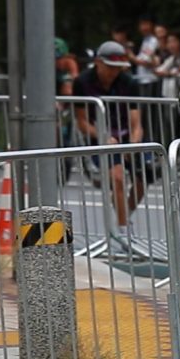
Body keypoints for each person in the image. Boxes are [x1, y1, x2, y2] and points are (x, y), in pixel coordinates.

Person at [72, 41, 146, 240]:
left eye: (118, 68)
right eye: (110, 67)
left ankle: (124, 216)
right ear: (98, 62)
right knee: (118, 177)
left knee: (144, 178)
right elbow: (81, 121)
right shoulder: (82, 82)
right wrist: (102, 137)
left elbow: (136, 122)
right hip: (101, 137)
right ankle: (123, 231)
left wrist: (133, 144)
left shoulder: (129, 83)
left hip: (125, 136)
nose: (114, 72)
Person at [155, 31, 180, 99]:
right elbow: (159, 71)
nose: (171, 45)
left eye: (174, 41)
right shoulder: (172, 58)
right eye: (169, 42)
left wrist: (171, 72)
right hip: (178, 90)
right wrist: (171, 73)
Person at [130, 14, 161, 97]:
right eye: (141, 25)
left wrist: (132, 57)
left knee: (149, 107)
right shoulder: (144, 40)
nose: (143, 27)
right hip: (142, 78)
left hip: (151, 79)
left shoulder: (154, 40)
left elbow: (149, 62)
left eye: (146, 24)